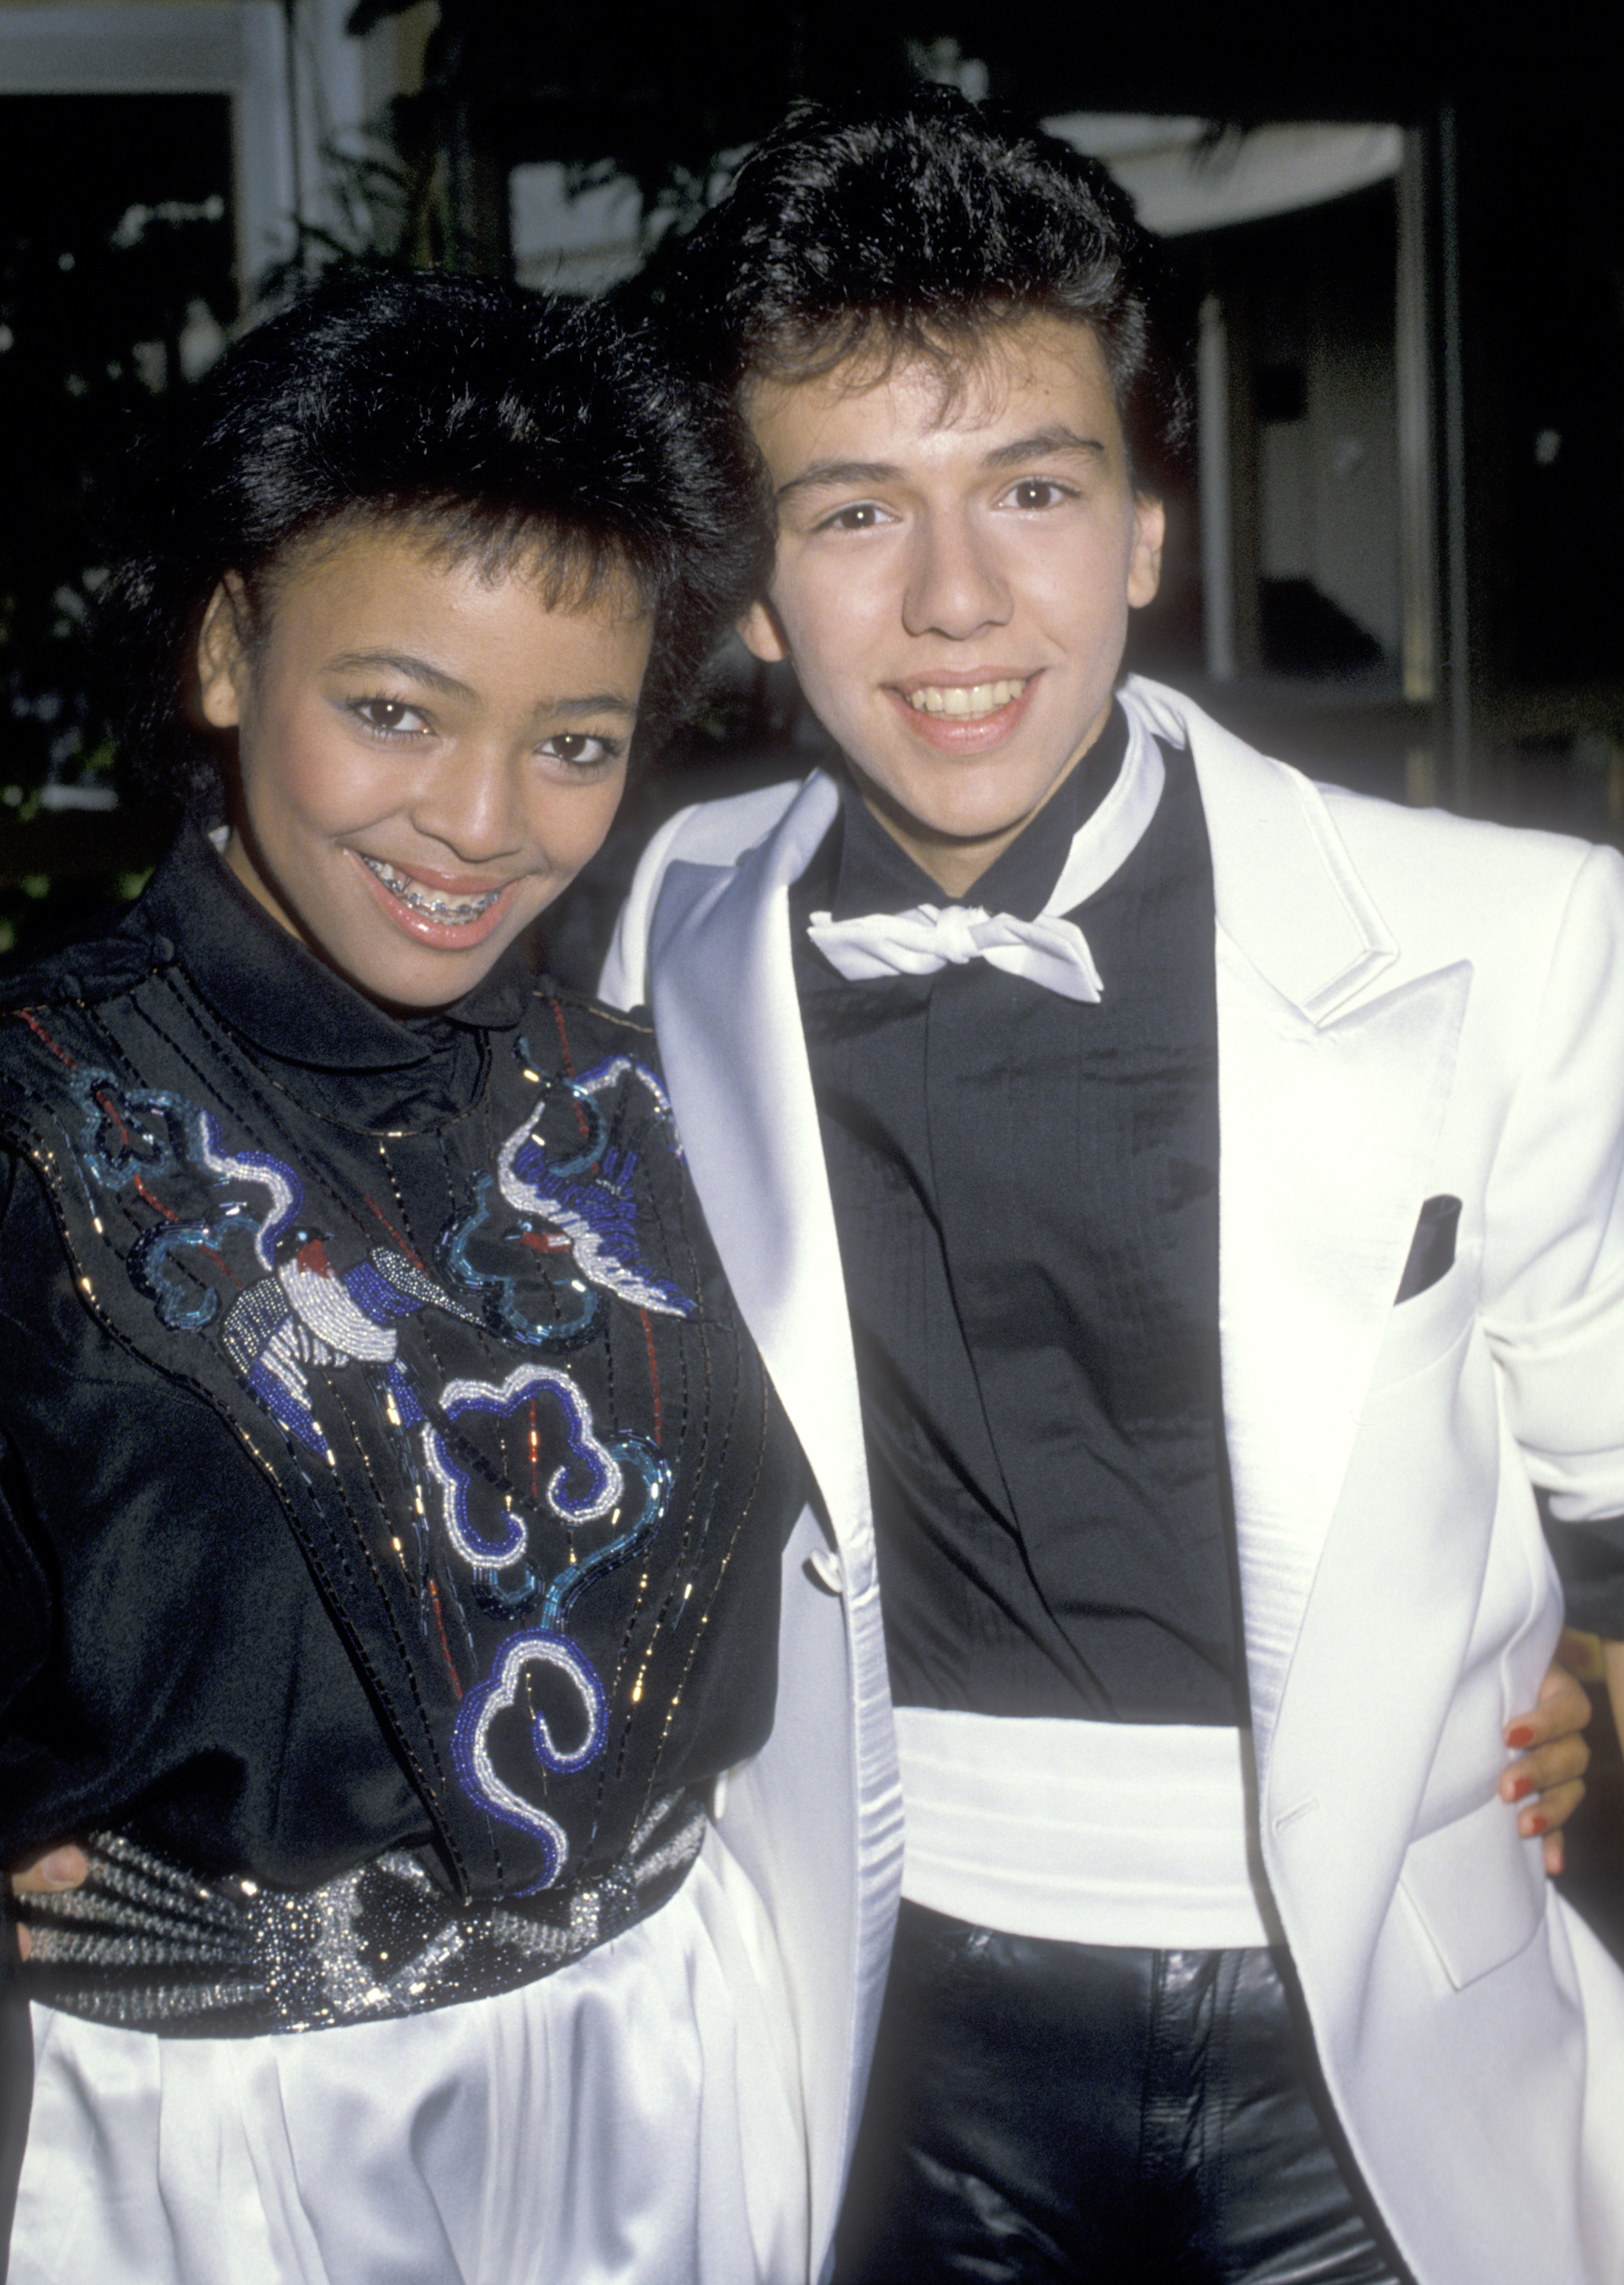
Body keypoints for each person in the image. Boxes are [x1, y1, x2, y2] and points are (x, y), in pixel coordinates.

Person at [602, 94, 1624, 2284]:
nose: (954, 601)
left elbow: (1610, 1455)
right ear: (753, 595)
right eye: (852, 510)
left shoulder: (1517, 934)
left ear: (1146, 528)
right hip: (877, 2011)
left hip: (1381, 2032)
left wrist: (1595, 1686)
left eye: (1033, 492)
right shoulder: (659, 919)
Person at [0, 266, 889, 2285]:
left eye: (572, 741)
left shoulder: (671, 1103)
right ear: (231, 650)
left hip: (666, 2074)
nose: (478, 828)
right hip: (209, 2156)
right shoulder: (35, 1110)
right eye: (392, 713)